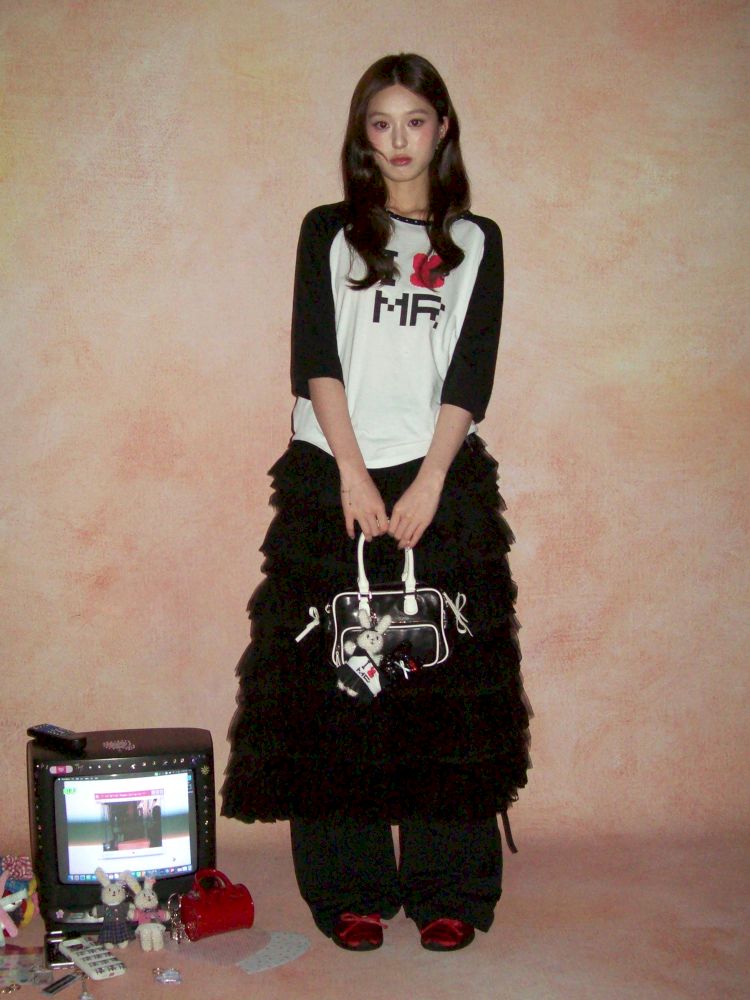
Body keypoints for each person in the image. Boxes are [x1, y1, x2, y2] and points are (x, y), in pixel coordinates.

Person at [222, 52, 530, 953]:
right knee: (336, 685)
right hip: (335, 471)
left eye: (415, 121)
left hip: (438, 474)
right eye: (381, 123)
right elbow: (315, 356)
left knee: (443, 687)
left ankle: (449, 888)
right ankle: (349, 888)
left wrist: (432, 480)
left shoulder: (475, 240)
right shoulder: (328, 230)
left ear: (442, 128)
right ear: (364, 136)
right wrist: (352, 475)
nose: (399, 140)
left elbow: (471, 366)